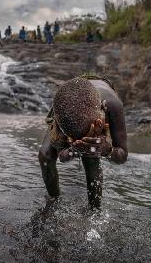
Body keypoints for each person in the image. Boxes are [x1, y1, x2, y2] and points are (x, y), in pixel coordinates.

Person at [38, 76, 127, 209]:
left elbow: (123, 156)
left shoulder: (113, 105)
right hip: (71, 93)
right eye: (71, 138)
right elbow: (62, 156)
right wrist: (72, 151)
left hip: (95, 96)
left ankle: (94, 211)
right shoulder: (62, 109)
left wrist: (107, 150)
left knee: (91, 153)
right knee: (45, 155)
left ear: (98, 121)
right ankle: (52, 201)